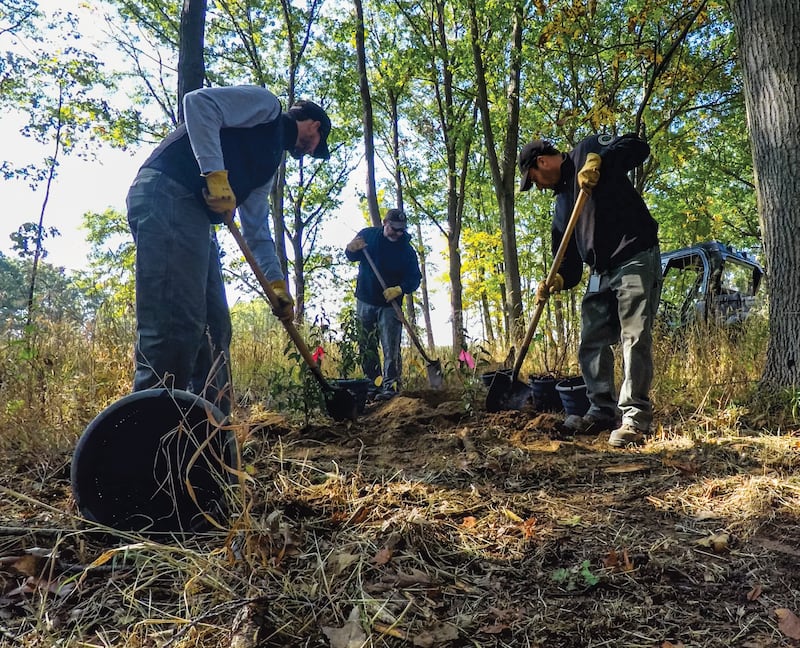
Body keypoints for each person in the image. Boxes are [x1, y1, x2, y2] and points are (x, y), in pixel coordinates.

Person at [126, 85, 331, 416]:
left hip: (194, 217)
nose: (310, 151)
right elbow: (198, 104)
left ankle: (210, 433)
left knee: (215, 330)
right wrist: (215, 175)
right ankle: (149, 432)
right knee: (176, 326)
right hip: (167, 193)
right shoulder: (266, 107)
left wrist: (277, 285)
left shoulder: (269, 164)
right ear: (314, 126)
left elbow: (257, 229)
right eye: (317, 145)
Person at [518, 134, 661, 447]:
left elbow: (638, 147)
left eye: (535, 180)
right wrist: (555, 281)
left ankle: (636, 418)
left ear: (542, 162)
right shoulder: (560, 207)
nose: (539, 187)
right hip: (601, 271)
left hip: (633, 254)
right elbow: (567, 266)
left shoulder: (586, 150)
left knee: (633, 336)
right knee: (592, 340)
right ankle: (602, 410)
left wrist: (601, 160)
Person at [344, 209, 422, 401]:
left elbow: (415, 278)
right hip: (365, 300)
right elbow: (351, 255)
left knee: (390, 347)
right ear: (385, 223)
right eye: (394, 229)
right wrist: (351, 248)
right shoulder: (368, 235)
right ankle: (372, 385)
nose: (398, 234)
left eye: (401, 230)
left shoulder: (407, 250)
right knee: (367, 346)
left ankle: (390, 387)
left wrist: (399, 288)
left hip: (389, 305)